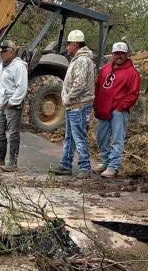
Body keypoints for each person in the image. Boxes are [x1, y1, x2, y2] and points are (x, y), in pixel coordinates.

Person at [50, 30, 95, 177]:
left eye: (68, 45)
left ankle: (85, 167)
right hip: (74, 105)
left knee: (78, 136)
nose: (67, 48)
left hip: (78, 105)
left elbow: (79, 84)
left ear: (75, 45)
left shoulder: (82, 61)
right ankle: (65, 165)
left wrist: (67, 98)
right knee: (70, 136)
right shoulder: (78, 59)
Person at [93, 42, 140, 178]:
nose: (119, 56)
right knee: (101, 137)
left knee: (116, 139)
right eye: (116, 54)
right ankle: (105, 161)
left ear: (127, 55)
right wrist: (96, 104)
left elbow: (133, 93)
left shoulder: (132, 73)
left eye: (122, 54)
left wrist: (121, 107)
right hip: (103, 108)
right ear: (112, 54)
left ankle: (113, 166)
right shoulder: (105, 69)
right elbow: (98, 87)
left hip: (118, 111)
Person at [0, 40, 28, 172]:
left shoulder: (19, 67)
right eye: (0, 52)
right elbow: (0, 84)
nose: (1, 55)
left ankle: (12, 162)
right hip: (1, 104)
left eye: (4, 52)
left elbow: (22, 87)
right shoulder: (2, 65)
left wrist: (12, 102)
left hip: (12, 105)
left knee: (13, 134)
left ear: (11, 52)